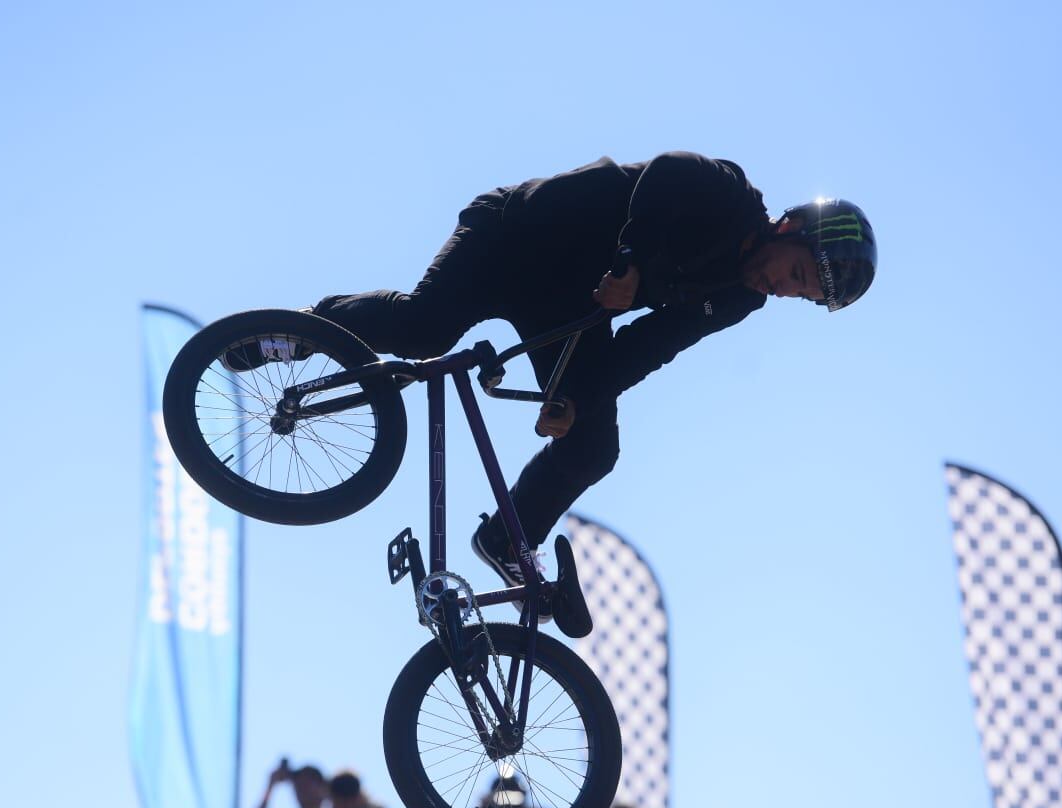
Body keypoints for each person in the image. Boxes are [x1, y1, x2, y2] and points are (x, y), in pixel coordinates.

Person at [261, 152, 877, 587]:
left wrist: (578, 400)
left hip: (562, 303)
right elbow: (663, 175)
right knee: (424, 329)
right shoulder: (728, 195)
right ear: (790, 228)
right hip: (512, 234)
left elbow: (649, 346)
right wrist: (630, 261)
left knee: (592, 449)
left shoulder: (740, 298)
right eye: (795, 273)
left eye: (799, 296)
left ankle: (506, 538)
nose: (782, 288)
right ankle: (297, 331)